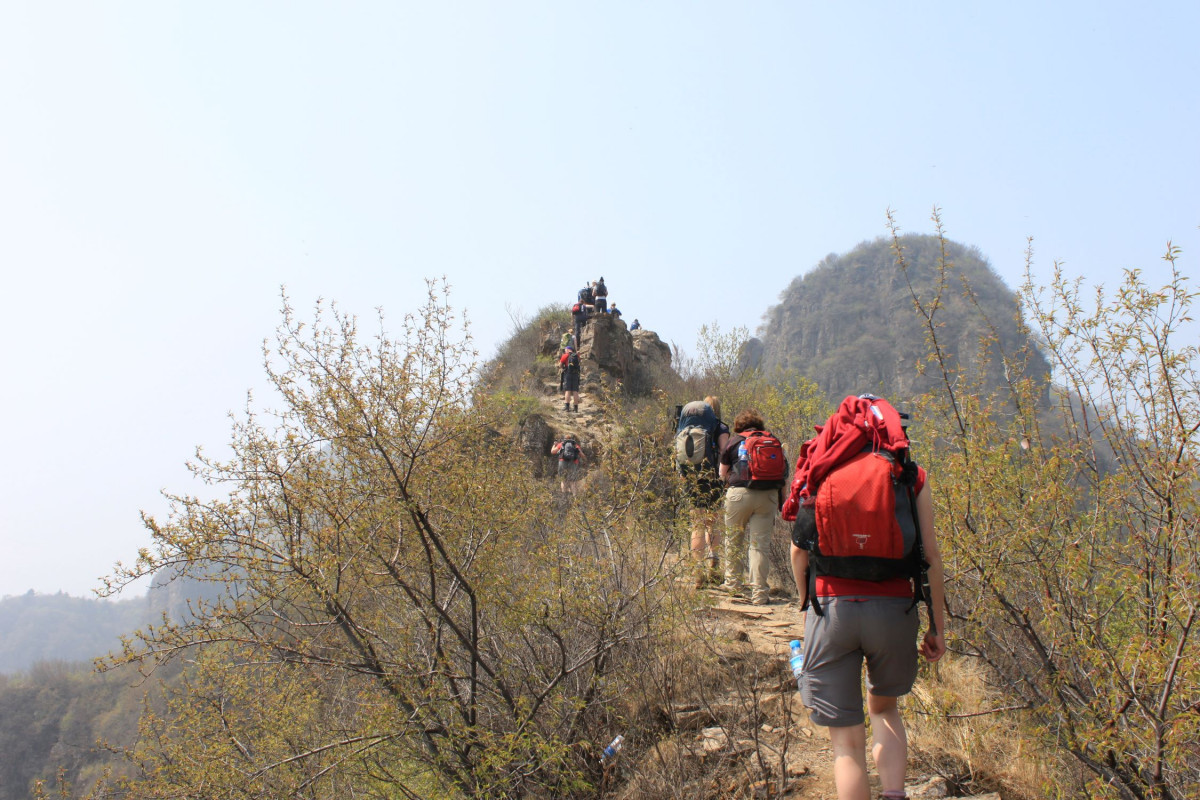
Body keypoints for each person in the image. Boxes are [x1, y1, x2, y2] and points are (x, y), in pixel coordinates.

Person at [785, 395, 947, 800]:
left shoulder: (822, 469)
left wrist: (806, 603)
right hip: (894, 612)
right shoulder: (911, 476)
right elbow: (930, 557)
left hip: (832, 611)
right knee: (885, 709)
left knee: (846, 742)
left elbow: (798, 552)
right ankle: (893, 793)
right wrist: (937, 628)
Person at [718, 409, 787, 605]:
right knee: (759, 546)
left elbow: (722, 474)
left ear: (739, 426)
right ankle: (759, 594)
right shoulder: (773, 441)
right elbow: (783, 475)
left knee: (733, 540)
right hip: (768, 496)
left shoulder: (733, 441)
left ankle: (733, 586)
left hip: (738, 495)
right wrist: (782, 502)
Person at [674, 396, 730, 587]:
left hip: (691, 479)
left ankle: (698, 571)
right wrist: (725, 478)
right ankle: (713, 565)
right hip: (713, 479)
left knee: (697, 524)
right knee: (713, 523)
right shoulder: (720, 427)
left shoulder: (685, 425)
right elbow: (724, 453)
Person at [559, 346, 582, 412]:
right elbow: (579, 363)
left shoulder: (565, 355)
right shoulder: (576, 356)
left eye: (565, 349)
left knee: (568, 390)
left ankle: (567, 407)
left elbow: (560, 365)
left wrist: (563, 368)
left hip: (568, 374)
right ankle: (576, 409)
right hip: (576, 375)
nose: (565, 351)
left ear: (568, 349)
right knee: (575, 391)